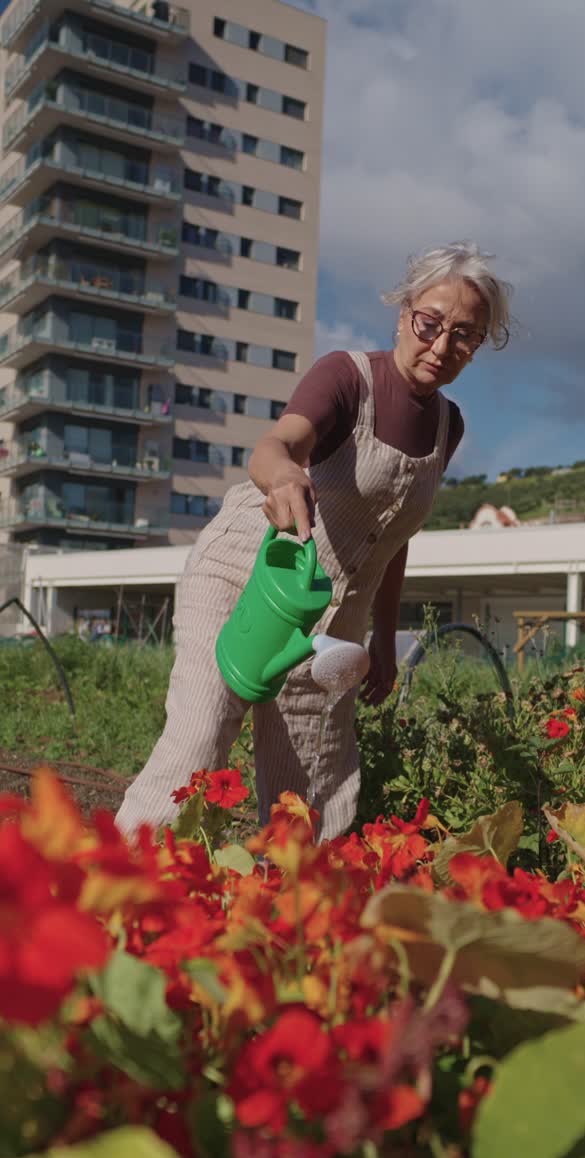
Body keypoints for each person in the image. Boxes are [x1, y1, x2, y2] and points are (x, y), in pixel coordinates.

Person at [116, 241, 512, 838]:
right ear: (404, 311)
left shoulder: (447, 425)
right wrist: (282, 476)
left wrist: (383, 635)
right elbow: (279, 445)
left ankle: (296, 918)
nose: (441, 346)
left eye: (465, 335)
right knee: (198, 740)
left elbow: (393, 534)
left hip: (330, 624)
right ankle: (112, 891)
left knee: (315, 785)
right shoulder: (346, 378)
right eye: (431, 323)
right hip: (247, 579)